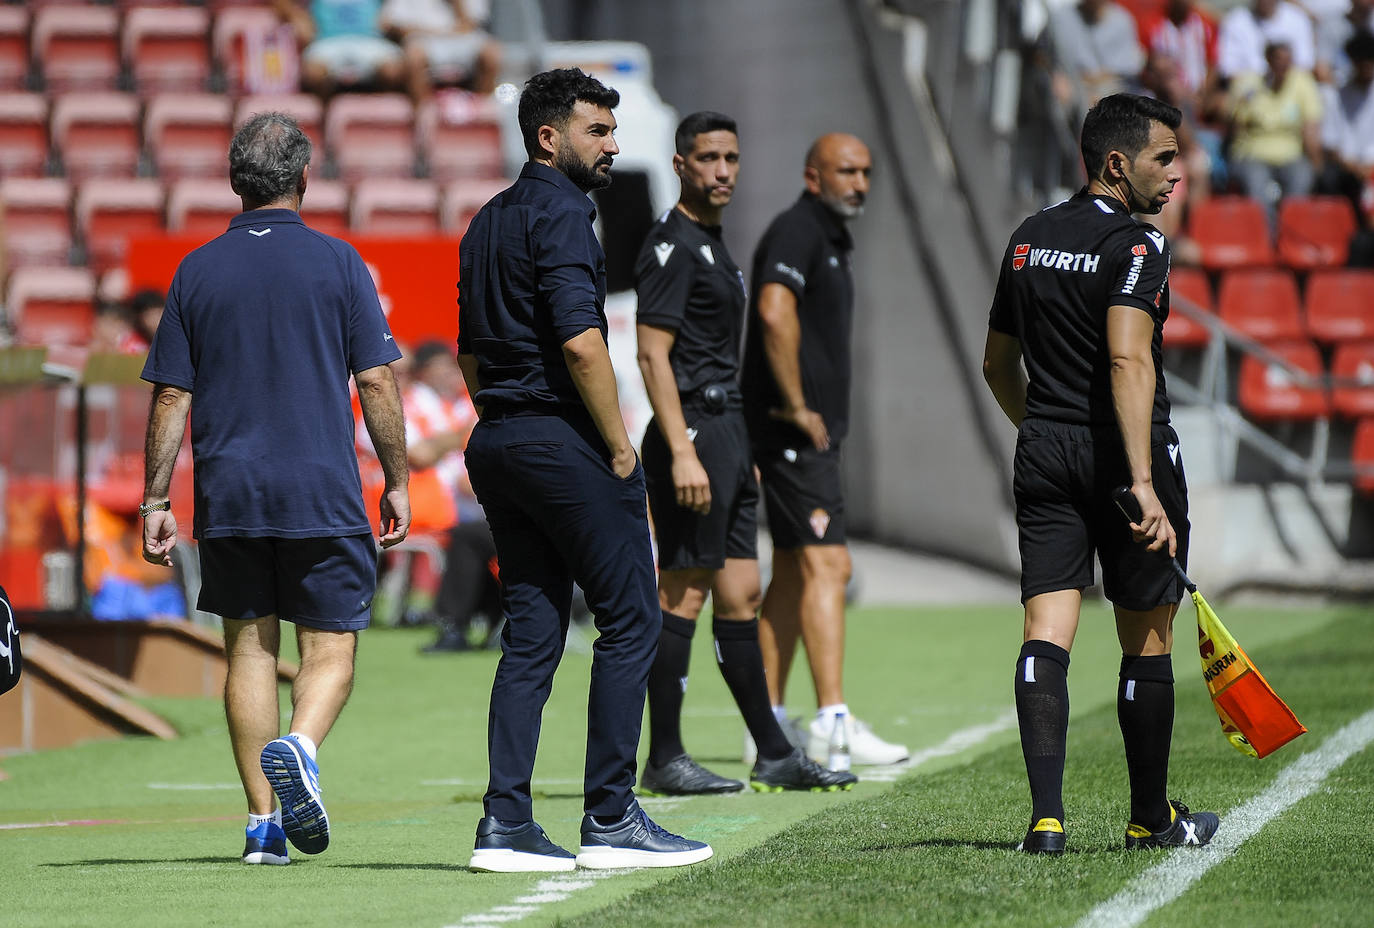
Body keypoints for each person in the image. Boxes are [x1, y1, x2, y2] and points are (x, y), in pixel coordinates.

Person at [456, 67, 711, 872]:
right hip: (563, 442)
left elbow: (468, 353)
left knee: (531, 632)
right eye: (597, 131)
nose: (612, 145)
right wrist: (619, 446)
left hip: (497, 439)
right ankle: (610, 817)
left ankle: (505, 825)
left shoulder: (485, 221)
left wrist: (505, 417)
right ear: (547, 137)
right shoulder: (567, 212)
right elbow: (579, 342)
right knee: (632, 618)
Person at [140, 112, 411, 866]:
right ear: (303, 177)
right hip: (321, 488)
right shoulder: (338, 262)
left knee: (248, 653)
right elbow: (378, 381)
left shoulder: (196, 269)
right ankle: (301, 746)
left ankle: (263, 829)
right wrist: (397, 478)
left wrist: (155, 502)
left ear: (235, 182)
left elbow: (170, 398)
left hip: (229, 494)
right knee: (330, 649)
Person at [981, 93, 1221, 855]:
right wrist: (1142, 481)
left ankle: (1046, 822)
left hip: (1044, 448)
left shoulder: (1028, 238)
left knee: (1045, 633)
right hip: (1126, 460)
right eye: (1164, 158)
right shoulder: (1139, 245)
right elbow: (1127, 356)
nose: (1176, 174)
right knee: (1146, 642)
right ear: (1116, 164)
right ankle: (1150, 818)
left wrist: (1045, 436)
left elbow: (996, 364)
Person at [633, 112, 857, 796]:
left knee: (741, 594)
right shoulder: (670, 245)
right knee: (685, 592)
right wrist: (683, 451)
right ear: (680, 165)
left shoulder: (712, 243)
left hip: (726, 432)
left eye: (731, 157)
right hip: (694, 431)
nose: (723, 170)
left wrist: (737, 445)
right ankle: (665, 756)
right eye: (707, 158)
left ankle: (773, 752)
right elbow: (651, 353)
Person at [739, 133, 908, 768]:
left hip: (802, 435)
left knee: (789, 574)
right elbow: (774, 312)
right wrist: (792, 404)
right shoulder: (798, 229)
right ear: (814, 176)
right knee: (829, 568)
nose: (859, 182)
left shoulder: (831, 236)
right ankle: (832, 719)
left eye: (865, 171)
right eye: (846, 171)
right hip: (794, 436)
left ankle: (769, 723)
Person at [1228, 41, 1324, 222]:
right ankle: (1265, 238)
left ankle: (1292, 233)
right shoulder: (1249, 85)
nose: (1283, 65)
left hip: (1291, 154)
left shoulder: (1303, 83)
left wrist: (1317, 164)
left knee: (1302, 177)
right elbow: (1236, 126)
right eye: (1278, 60)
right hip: (1254, 153)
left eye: (1287, 60)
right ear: (1268, 60)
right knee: (1257, 186)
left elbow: (1311, 126)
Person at [273, 0, 407, 99]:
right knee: (315, 73)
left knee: (392, 70)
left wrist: (389, 15)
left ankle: (379, 119)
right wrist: (296, 16)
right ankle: (324, 120)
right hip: (326, 41)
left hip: (370, 40)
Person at [379, 0, 501, 102]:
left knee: (491, 54)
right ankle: (424, 119)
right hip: (422, 39)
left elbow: (470, 25)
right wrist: (434, 32)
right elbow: (391, 24)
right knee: (414, 57)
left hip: (462, 40)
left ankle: (479, 117)